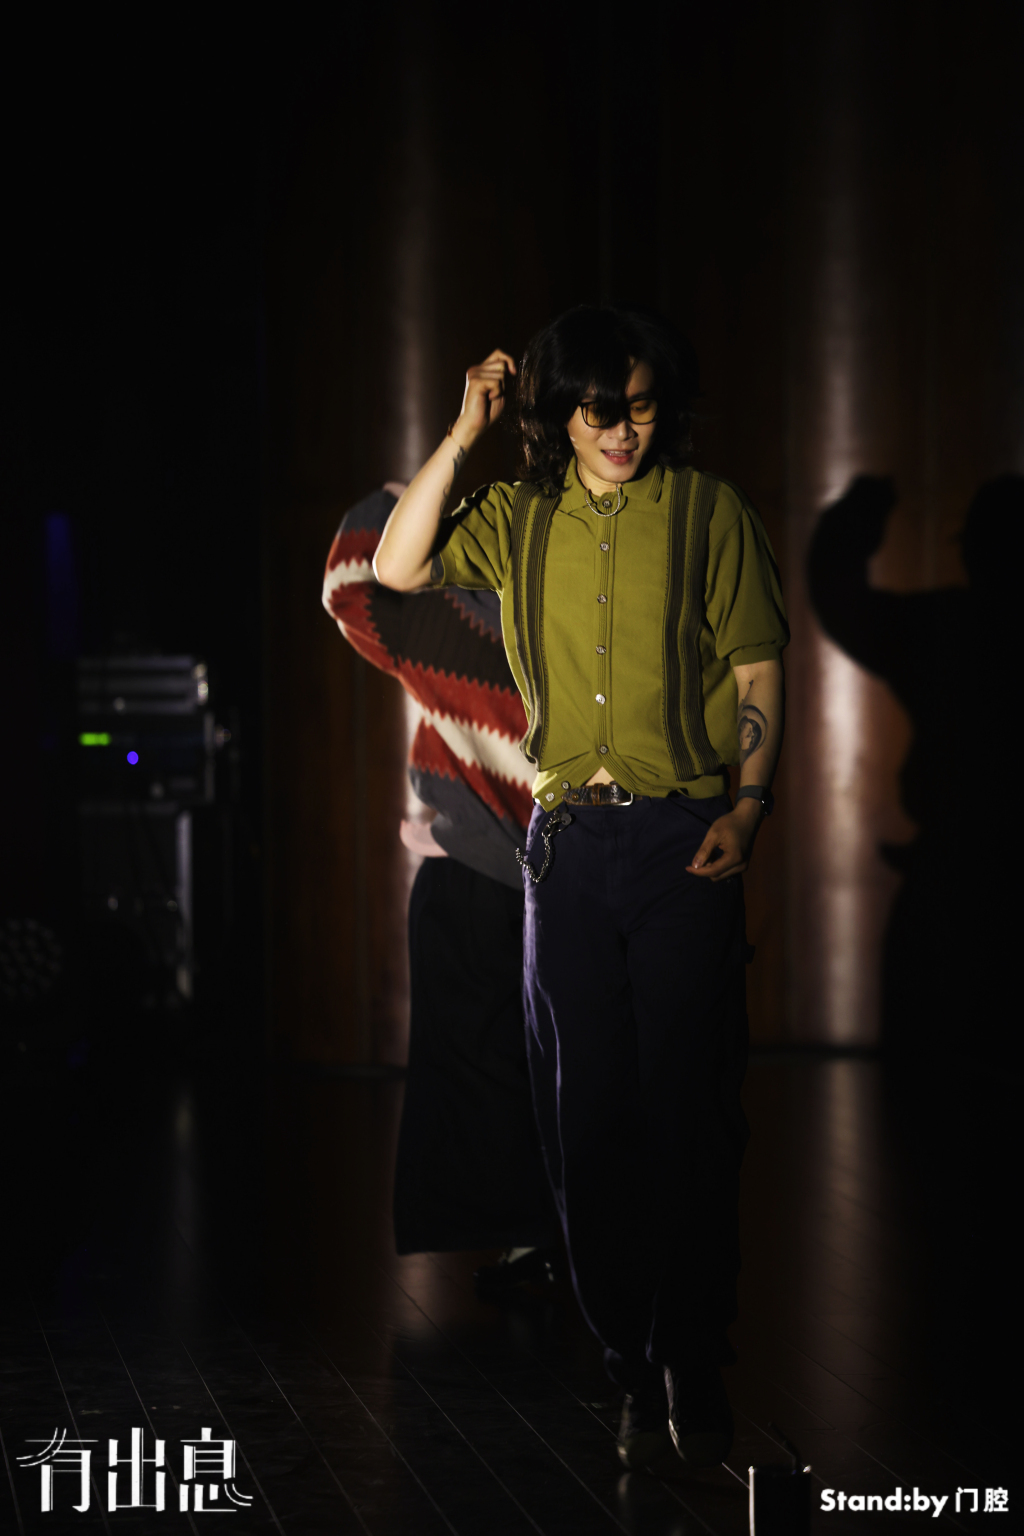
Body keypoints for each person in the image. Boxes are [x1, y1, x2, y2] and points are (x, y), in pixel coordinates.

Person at [374, 306, 788, 1471]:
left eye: (642, 407)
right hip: (564, 849)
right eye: (601, 409)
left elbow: (757, 664)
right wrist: (463, 434)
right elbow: (395, 566)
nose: (622, 431)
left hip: (681, 838)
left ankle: (692, 1354)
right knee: (584, 1114)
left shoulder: (709, 511)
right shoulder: (517, 516)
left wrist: (748, 808)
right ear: (560, 414)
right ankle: (628, 1358)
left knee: (691, 1103)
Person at [323, 485, 558, 1292]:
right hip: (573, 875)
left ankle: (528, 1240)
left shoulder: (447, 619)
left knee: (479, 1064)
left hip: (481, 873)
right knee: (565, 1064)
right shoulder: (562, 622)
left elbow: (347, 584)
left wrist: (393, 497)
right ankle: (568, 1244)